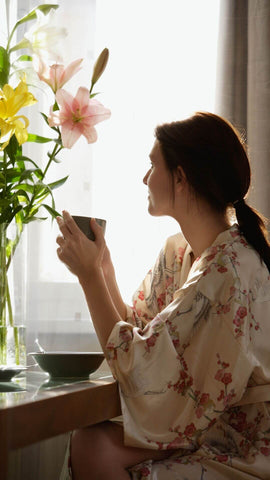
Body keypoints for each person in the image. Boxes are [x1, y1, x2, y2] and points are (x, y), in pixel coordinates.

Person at [57, 112, 270, 480]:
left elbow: (143, 364)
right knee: (91, 441)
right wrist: (104, 270)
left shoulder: (228, 269)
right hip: (201, 425)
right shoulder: (178, 252)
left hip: (237, 442)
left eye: (152, 164)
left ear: (181, 177)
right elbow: (143, 333)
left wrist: (89, 276)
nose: (144, 177)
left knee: (93, 447)